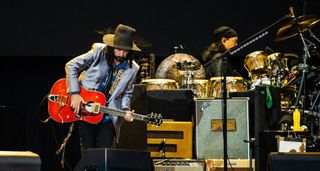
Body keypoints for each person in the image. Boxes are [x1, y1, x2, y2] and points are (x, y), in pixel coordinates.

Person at [65, 24, 141, 150]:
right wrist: (75, 93)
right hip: (87, 110)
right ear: (111, 46)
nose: (121, 54)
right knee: (88, 154)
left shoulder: (133, 68)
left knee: (103, 155)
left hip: (108, 116)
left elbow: (126, 93)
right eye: (118, 49)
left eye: (125, 51)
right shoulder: (98, 51)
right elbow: (71, 66)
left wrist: (126, 108)